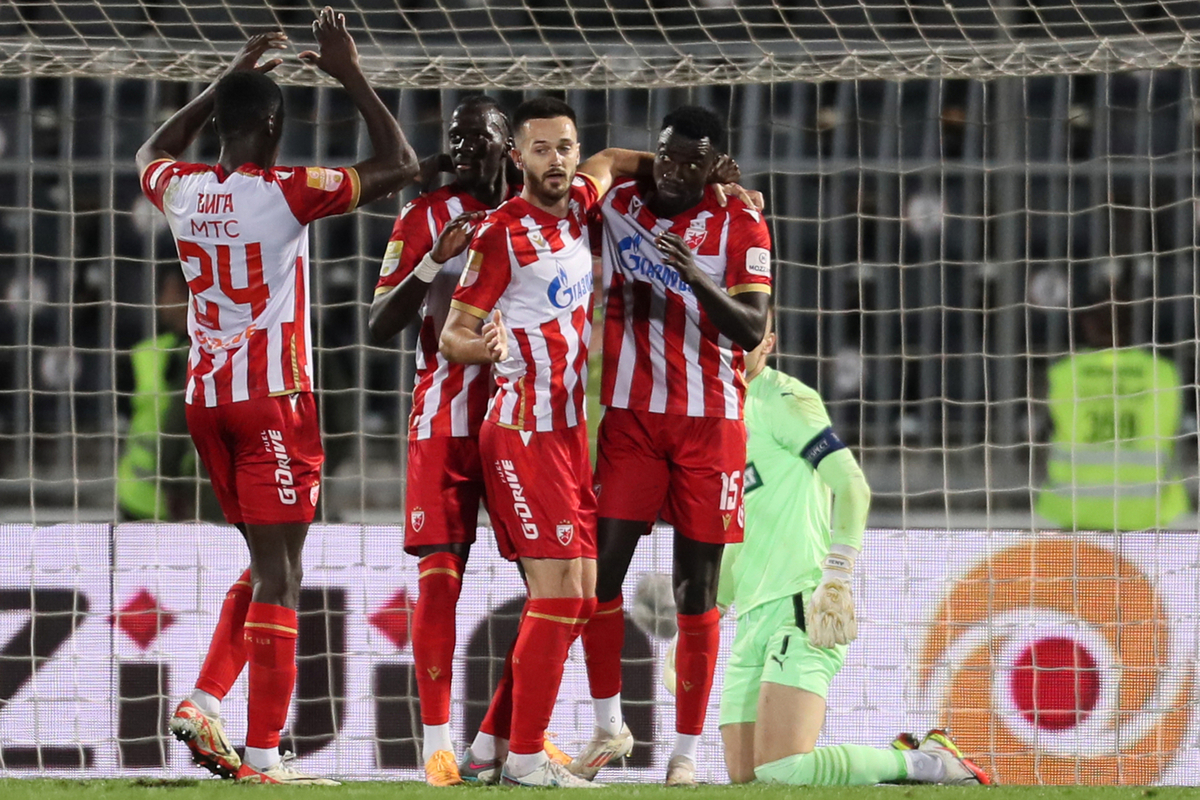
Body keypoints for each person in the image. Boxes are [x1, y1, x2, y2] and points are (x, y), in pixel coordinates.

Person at [136, 9, 417, 784]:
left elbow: (150, 150)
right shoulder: (289, 192)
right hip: (273, 401)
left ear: (221, 125)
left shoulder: (184, 188)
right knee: (283, 575)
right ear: (272, 125)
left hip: (206, 402)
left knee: (267, 564)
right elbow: (401, 163)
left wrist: (231, 75)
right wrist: (348, 73)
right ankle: (263, 755)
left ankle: (202, 701)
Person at [439, 96, 656, 788]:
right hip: (520, 430)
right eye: (541, 149)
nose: (557, 161)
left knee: (581, 597)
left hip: (565, 436)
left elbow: (618, 161)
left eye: (564, 147)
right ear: (518, 158)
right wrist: (485, 348)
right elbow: (453, 332)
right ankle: (526, 760)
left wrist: (716, 185)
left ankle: (489, 747)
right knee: (561, 596)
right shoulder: (502, 233)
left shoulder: (582, 202)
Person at [369, 95, 568, 786]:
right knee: (440, 578)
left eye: (475, 138)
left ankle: (506, 738)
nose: (461, 151)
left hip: (524, 419)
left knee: (549, 587)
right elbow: (378, 322)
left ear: (507, 146)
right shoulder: (423, 214)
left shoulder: (537, 210)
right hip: (447, 418)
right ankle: (437, 746)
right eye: (452, 139)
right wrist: (430, 261)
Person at [571, 105, 771, 786]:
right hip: (630, 420)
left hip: (710, 424)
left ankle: (685, 755)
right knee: (597, 580)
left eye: (693, 160)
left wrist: (694, 273)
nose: (675, 171)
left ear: (716, 165)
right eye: (667, 155)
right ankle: (607, 725)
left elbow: (750, 326)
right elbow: (595, 164)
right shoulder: (622, 202)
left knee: (696, 591)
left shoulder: (740, 222)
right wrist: (637, 160)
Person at [710, 309, 991, 787]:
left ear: (769, 343)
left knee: (782, 771)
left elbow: (852, 486)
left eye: (749, 334)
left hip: (799, 604)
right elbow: (738, 528)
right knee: (744, 779)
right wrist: (707, 617)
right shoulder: (714, 413)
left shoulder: (786, 398)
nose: (737, 342)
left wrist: (837, 574)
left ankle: (926, 762)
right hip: (751, 617)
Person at [1036, 296, 1189, 531]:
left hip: (1072, 514)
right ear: (1132, 324)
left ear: (1087, 324)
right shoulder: (1163, 373)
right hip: (1150, 516)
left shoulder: (1063, 374)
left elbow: (1035, 438)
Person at [117, 269, 216, 521]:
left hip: (190, 502)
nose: (162, 303)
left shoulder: (209, 355)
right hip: (141, 499)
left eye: (168, 293)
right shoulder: (144, 354)